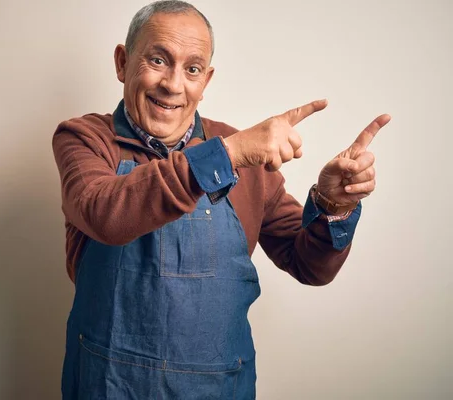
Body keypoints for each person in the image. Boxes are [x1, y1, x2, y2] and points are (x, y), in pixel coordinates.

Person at [52, 1, 390, 398]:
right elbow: (104, 212)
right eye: (158, 60)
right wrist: (225, 155)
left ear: (206, 80)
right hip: (108, 385)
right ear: (123, 62)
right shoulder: (86, 139)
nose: (174, 85)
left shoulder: (240, 152)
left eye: (192, 69)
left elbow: (309, 265)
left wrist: (334, 206)